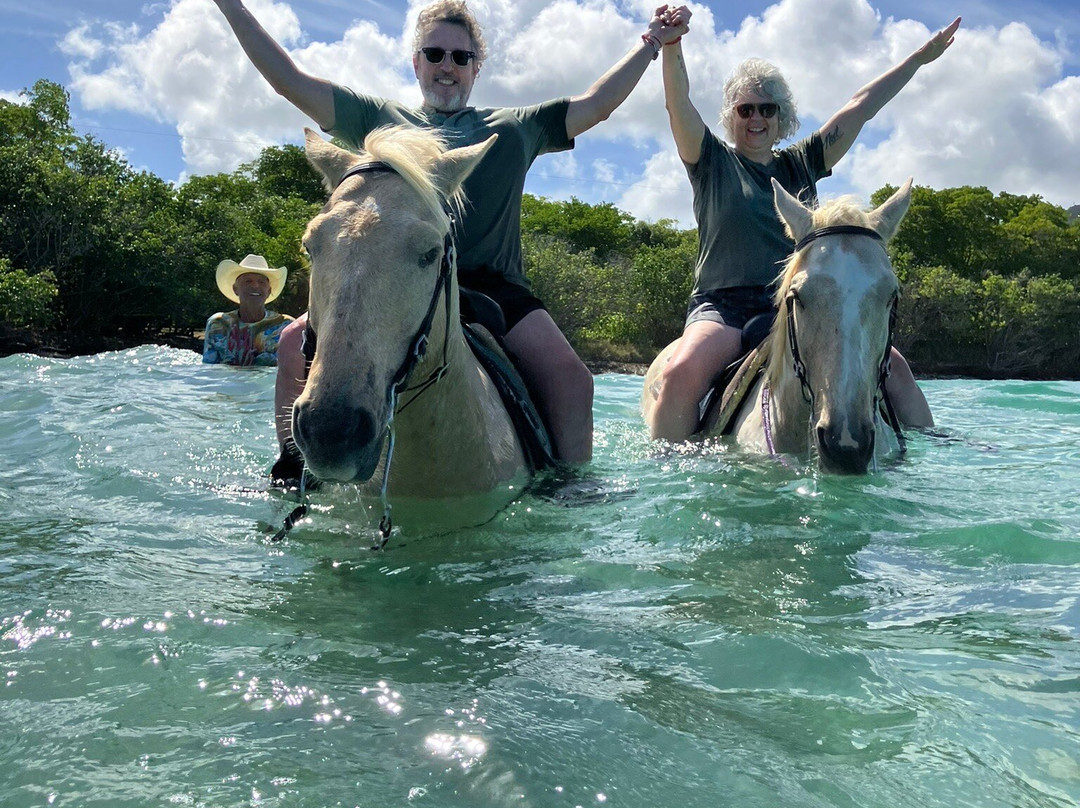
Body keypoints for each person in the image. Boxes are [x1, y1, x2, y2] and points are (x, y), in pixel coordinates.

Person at [213, 0, 691, 464]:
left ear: (476, 67)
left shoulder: (513, 127)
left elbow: (596, 105)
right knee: (294, 343)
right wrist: (231, 5)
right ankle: (291, 470)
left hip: (494, 291)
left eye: (461, 57)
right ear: (417, 62)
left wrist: (652, 42)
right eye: (435, 54)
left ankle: (569, 494)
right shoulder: (378, 119)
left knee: (572, 379)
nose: (448, 66)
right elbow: (289, 82)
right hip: (393, 281)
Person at [647, 13, 961, 442]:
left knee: (898, 371)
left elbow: (861, 106)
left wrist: (920, 59)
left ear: (781, 117)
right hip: (724, 309)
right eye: (745, 109)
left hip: (802, 305)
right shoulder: (711, 162)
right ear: (732, 115)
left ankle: (930, 463)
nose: (756, 118)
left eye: (767, 109)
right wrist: (672, 45)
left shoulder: (803, 161)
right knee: (681, 373)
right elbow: (677, 103)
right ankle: (667, 474)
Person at [203, 253, 294, 366]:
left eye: (261, 282)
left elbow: (292, 370)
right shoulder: (218, 324)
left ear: (269, 291)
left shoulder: (286, 326)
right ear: (235, 289)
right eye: (248, 281)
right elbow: (209, 370)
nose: (255, 286)